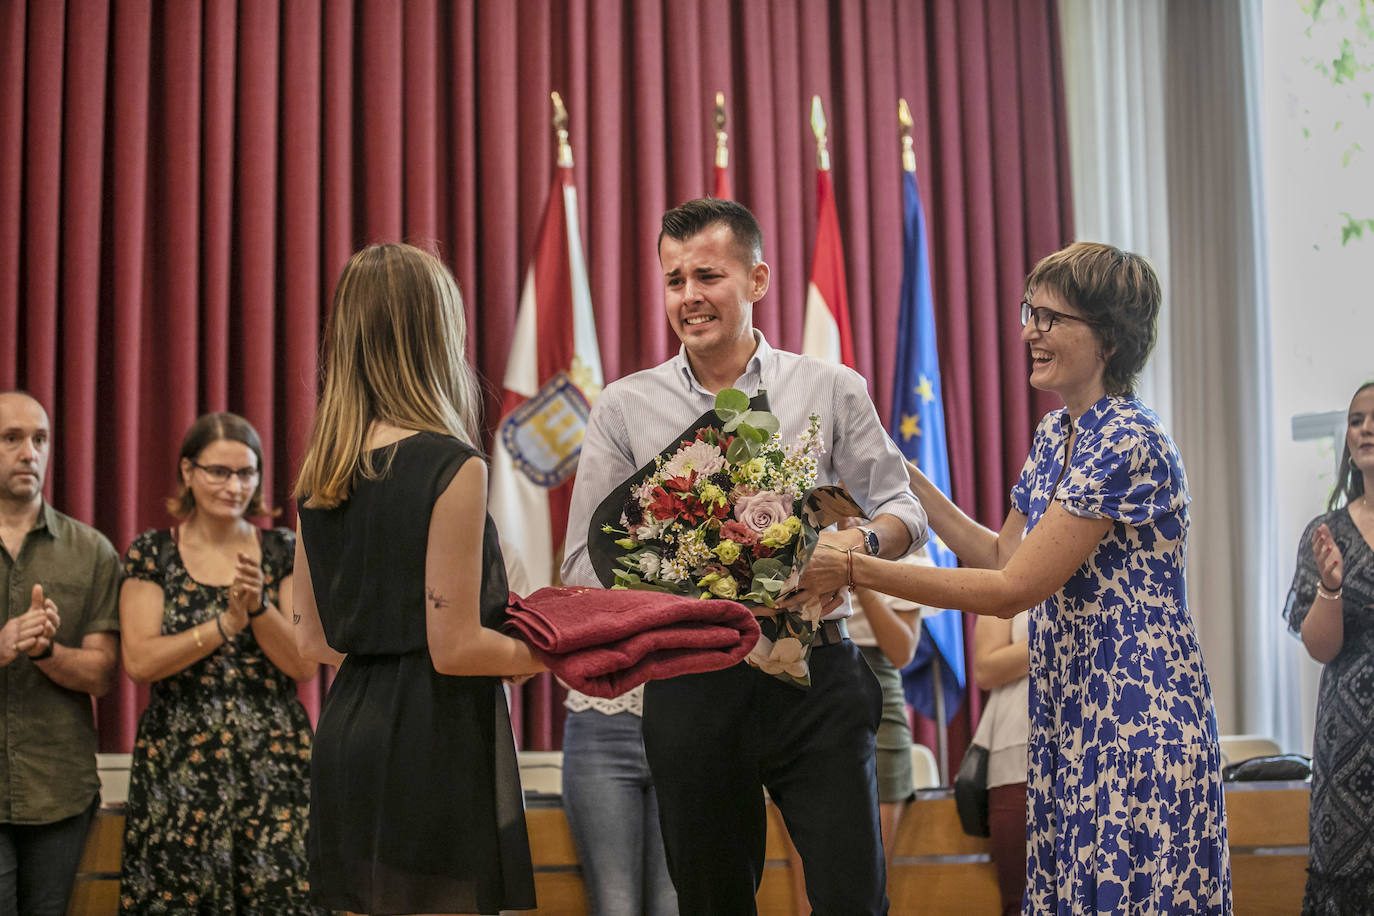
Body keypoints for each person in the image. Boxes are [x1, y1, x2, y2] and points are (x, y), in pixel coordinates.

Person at [797, 241, 1232, 913]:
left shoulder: (1126, 436)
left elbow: (1013, 591)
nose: (1030, 329)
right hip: (1072, 713)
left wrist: (855, 568)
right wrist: (898, 471)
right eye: (1031, 311)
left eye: (1051, 318)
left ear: (1108, 339)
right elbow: (997, 556)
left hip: (1135, 721)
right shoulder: (1058, 433)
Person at [561, 198, 928, 914]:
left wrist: (854, 548)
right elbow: (582, 564)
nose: (689, 296)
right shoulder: (624, 408)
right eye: (674, 280)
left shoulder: (830, 388)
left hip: (818, 677)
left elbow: (905, 510)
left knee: (854, 901)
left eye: (708, 275)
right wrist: (684, 575)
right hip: (694, 687)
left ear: (757, 280)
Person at [293, 242, 544, 916]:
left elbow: (310, 641)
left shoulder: (321, 474)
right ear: (438, 335)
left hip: (348, 736)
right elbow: (456, 647)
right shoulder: (451, 466)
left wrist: (388, 646)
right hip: (431, 744)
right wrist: (556, 649)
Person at [118, 412, 324, 915]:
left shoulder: (283, 549)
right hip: (178, 762)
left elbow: (303, 665)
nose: (234, 486)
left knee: (280, 899)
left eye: (246, 473)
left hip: (273, 762)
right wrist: (222, 627)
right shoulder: (153, 552)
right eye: (219, 472)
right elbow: (140, 661)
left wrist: (256, 609)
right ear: (188, 471)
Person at [0, 391, 120, 916]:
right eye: (11, 439)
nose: (29, 453)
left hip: (58, 792)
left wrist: (47, 650)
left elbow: (102, 675)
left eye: (40, 440)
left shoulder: (91, 550)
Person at [1284, 379, 1374, 914]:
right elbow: (1320, 647)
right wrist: (1332, 587)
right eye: (1359, 419)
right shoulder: (1327, 532)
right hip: (1349, 745)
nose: (1367, 429)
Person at [971, 610, 1030, 916]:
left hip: (1101, 751)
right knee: (1019, 901)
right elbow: (985, 668)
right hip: (1017, 757)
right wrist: (1059, 638)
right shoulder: (1009, 564)